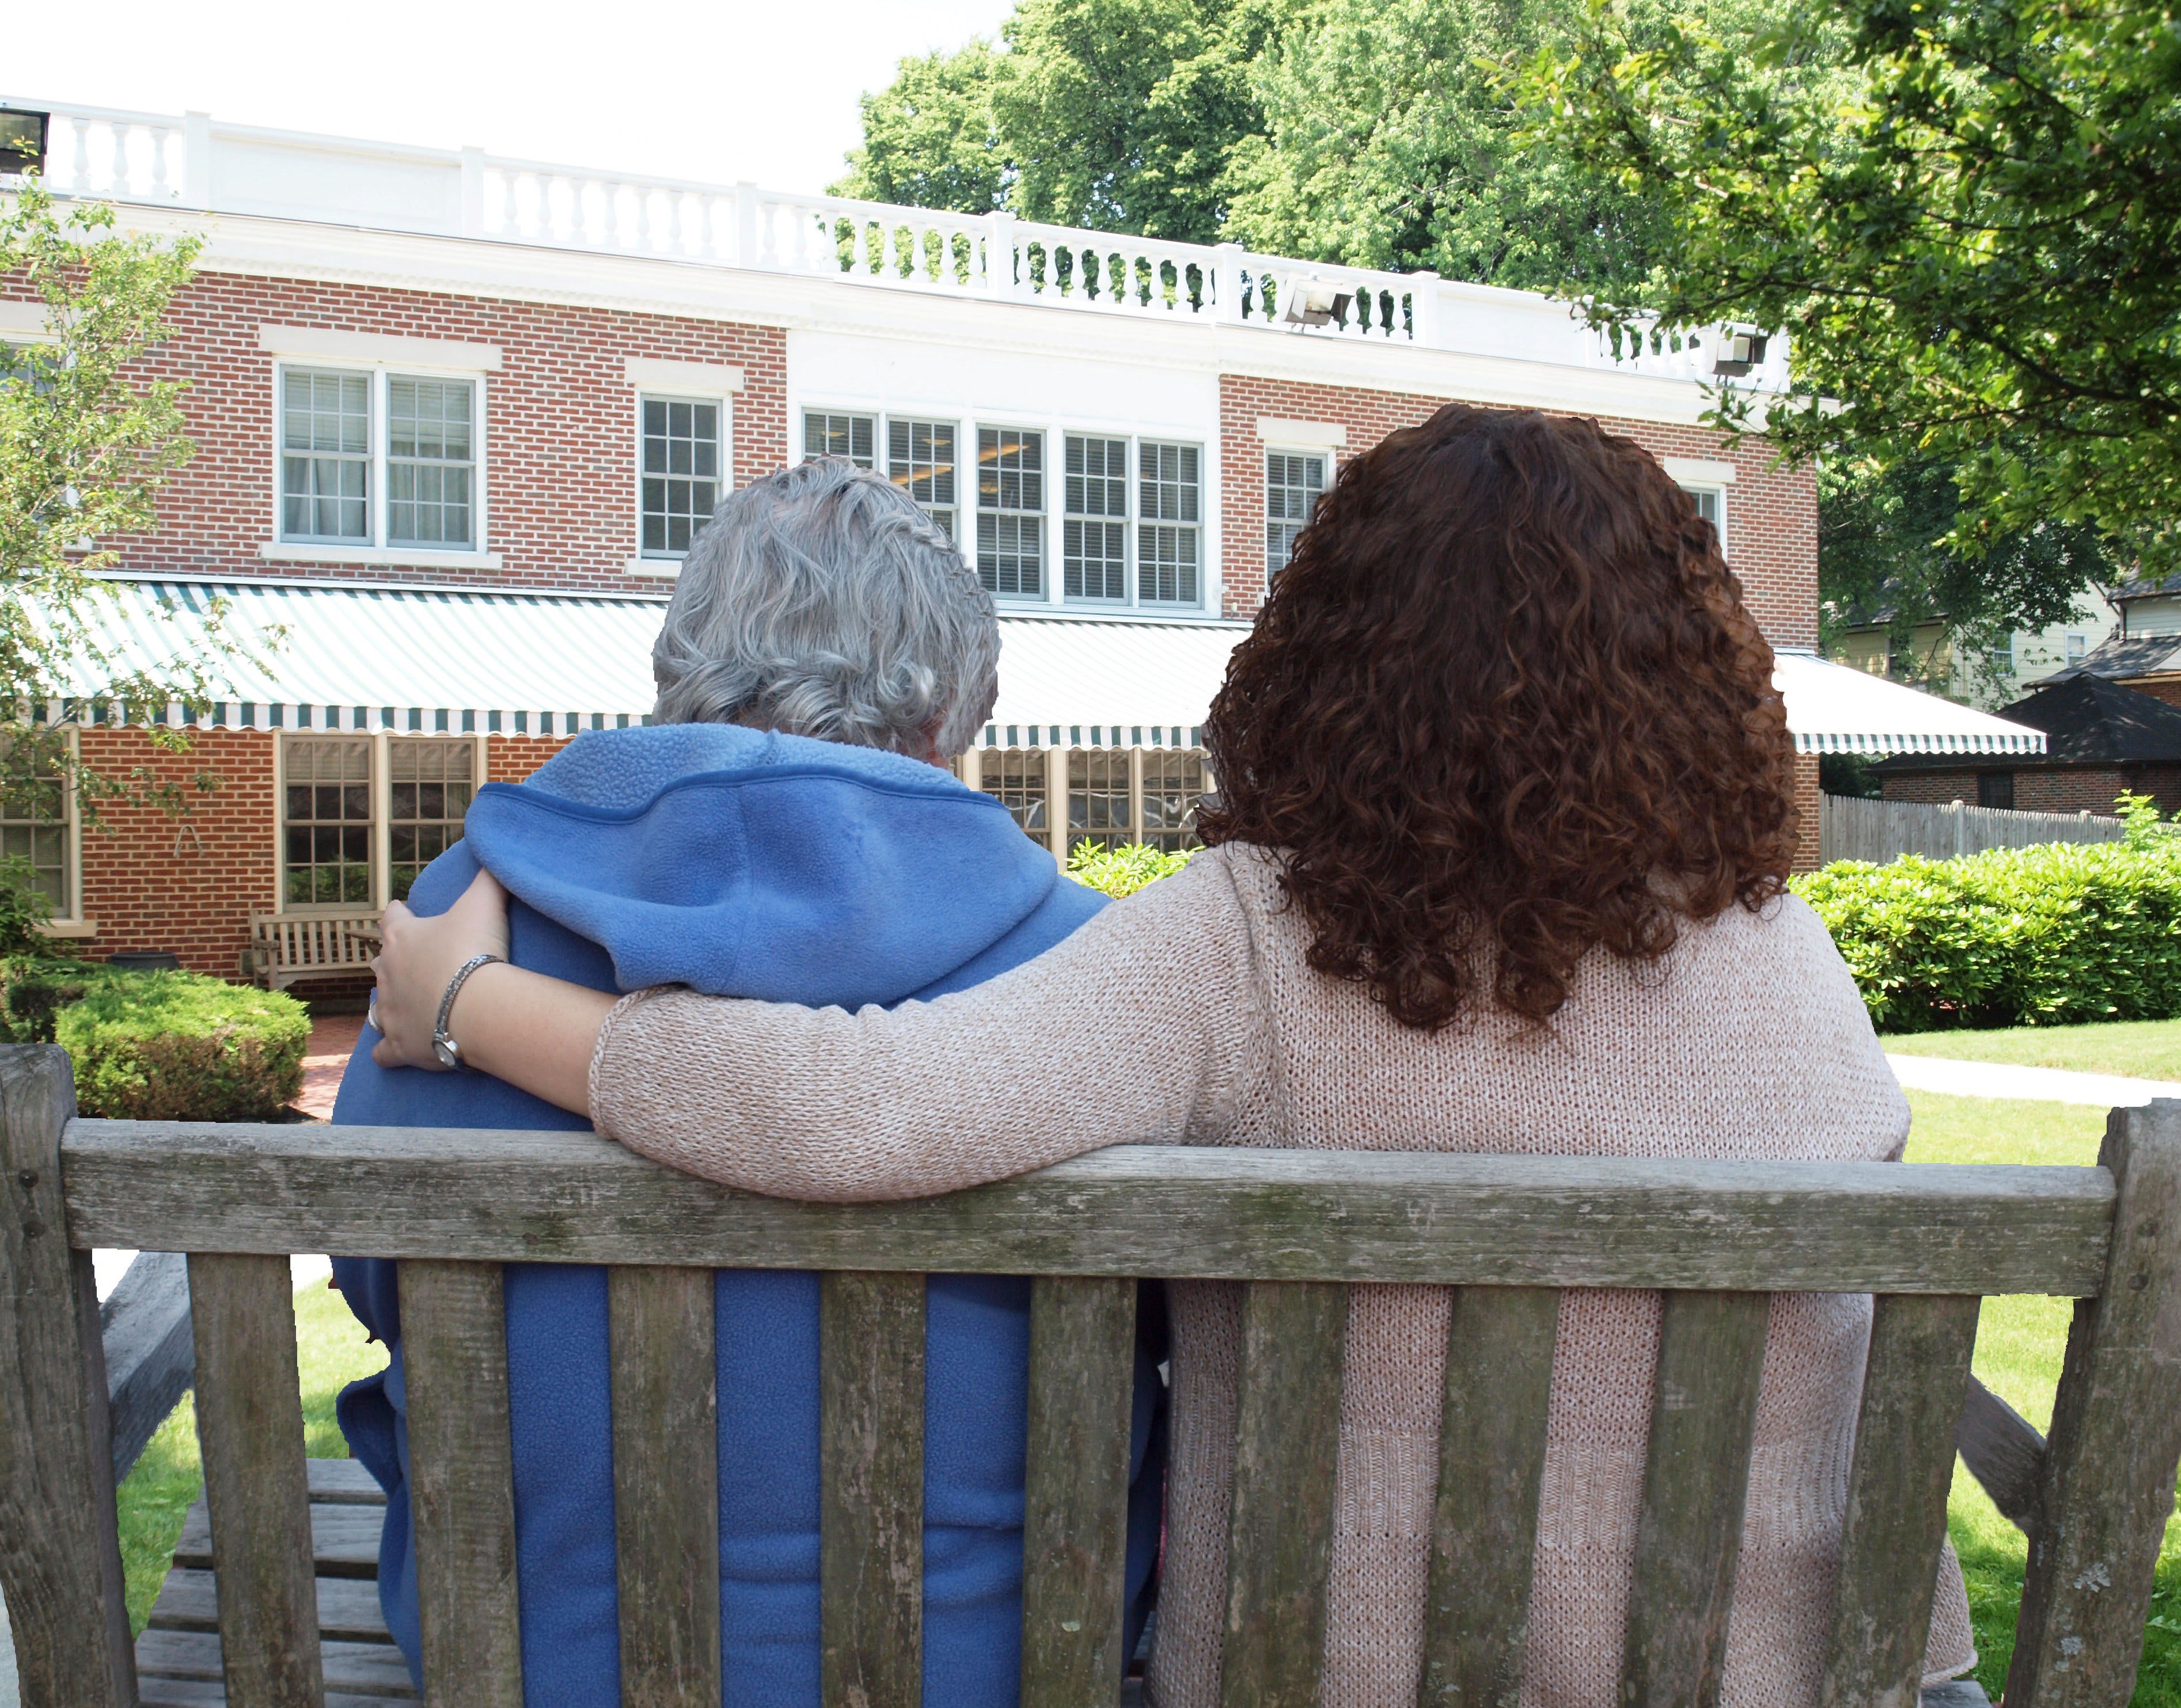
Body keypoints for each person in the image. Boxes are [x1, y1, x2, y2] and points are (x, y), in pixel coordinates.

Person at [369, 405, 1977, 1708]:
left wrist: (463, 1001)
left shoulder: (1255, 941)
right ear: (1693, 670)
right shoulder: (1789, 954)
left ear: (1329, 656)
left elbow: (853, 1106)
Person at [332, 457, 1164, 1706]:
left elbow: (368, 1276)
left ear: (677, 681)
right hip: (992, 1668)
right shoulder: (1100, 970)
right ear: (948, 725)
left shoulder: (462, 929)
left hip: (535, 1662)